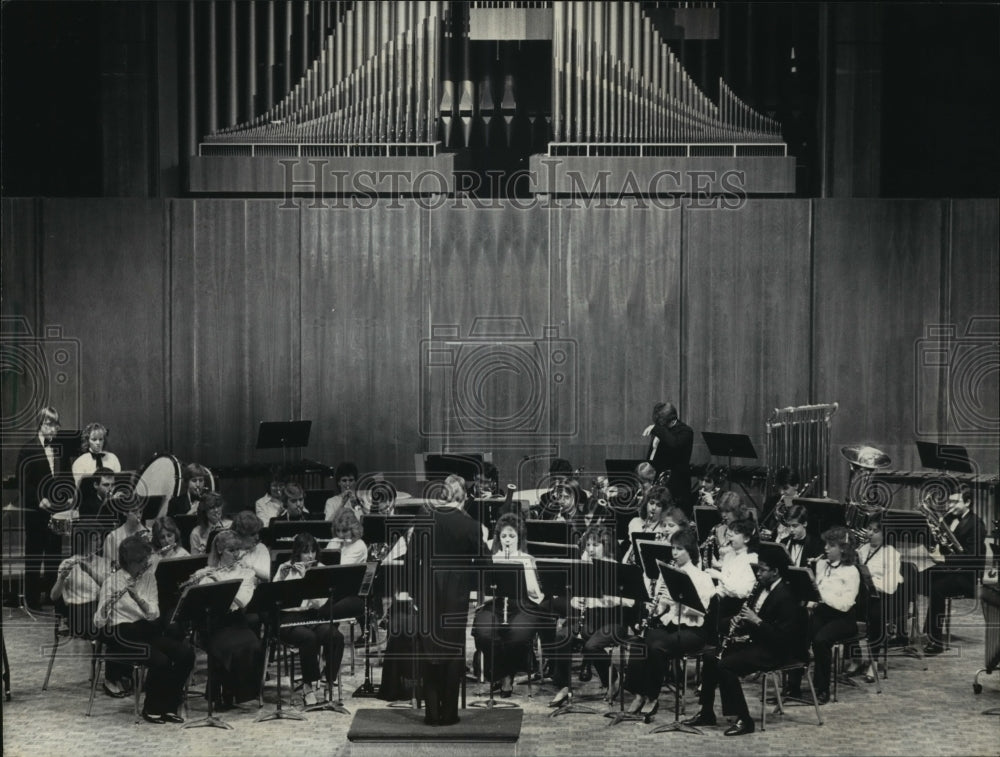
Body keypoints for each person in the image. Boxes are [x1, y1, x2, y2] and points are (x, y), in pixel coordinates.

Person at [684, 543, 806, 736]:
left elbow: (783, 638)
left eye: (763, 570)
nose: (758, 574)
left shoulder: (787, 597)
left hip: (777, 651)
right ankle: (707, 712)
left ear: (775, 572)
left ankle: (745, 720)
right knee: (710, 656)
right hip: (758, 642)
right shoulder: (761, 587)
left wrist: (755, 621)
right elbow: (750, 619)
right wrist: (736, 622)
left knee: (726, 665)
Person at [406, 474, 484, 726]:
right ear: (462, 498)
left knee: (429, 651)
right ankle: (450, 713)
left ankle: (431, 713)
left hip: (426, 590)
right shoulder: (470, 525)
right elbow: (485, 563)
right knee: (452, 651)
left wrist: (413, 592)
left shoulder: (424, 517)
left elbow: (410, 558)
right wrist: (470, 584)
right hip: (456, 594)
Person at [94, 534, 195, 723]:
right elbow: (98, 624)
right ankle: (152, 709)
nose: (146, 565)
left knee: (185, 653)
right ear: (130, 562)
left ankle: (170, 706)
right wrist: (106, 606)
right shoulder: (112, 582)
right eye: (142, 562)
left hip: (145, 629)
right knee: (161, 661)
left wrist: (138, 600)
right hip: (121, 634)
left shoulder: (148, 578)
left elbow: (154, 614)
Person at [623, 527, 715, 717]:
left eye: (679, 549)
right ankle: (638, 693)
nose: (674, 553)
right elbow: (663, 607)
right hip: (671, 625)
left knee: (657, 647)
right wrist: (656, 608)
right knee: (640, 642)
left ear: (690, 550)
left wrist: (680, 601)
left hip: (694, 630)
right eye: (673, 548)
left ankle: (652, 696)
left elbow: (702, 611)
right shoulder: (668, 572)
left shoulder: (702, 577)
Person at [549, 525, 630, 707]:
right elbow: (572, 592)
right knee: (562, 636)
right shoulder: (583, 566)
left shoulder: (616, 568)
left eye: (596, 545)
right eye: (588, 546)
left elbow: (629, 601)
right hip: (590, 618)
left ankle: (613, 678)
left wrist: (601, 600)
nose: (591, 549)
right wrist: (574, 601)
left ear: (606, 546)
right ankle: (563, 686)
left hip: (613, 619)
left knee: (591, 645)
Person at [186, 530, 263, 709]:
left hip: (235, 620)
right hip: (211, 624)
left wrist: (219, 582)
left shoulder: (246, 574)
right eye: (231, 550)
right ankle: (220, 694)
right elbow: (199, 604)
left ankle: (235, 693)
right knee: (226, 648)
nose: (236, 554)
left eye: (238, 550)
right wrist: (198, 582)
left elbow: (241, 601)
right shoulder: (205, 572)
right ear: (220, 550)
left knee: (253, 646)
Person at [471, 513, 546, 697]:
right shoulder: (491, 558)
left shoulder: (527, 558)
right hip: (494, 604)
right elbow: (479, 591)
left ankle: (506, 676)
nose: (507, 540)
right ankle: (501, 673)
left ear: (519, 538)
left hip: (521, 604)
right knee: (483, 632)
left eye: (512, 536)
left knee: (518, 636)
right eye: (504, 536)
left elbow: (536, 593)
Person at [785, 526, 860, 703]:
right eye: (826, 544)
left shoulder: (851, 572)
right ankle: (793, 687)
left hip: (843, 618)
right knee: (799, 633)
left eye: (831, 545)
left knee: (821, 641)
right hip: (823, 613)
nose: (825, 548)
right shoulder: (821, 564)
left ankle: (822, 689)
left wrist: (820, 596)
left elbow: (845, 604)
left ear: (842, 548)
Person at [274, 533, 345, 706]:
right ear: (298, 553)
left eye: (313, 551)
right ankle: (308, 687)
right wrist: (298, 579)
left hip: (312, 615)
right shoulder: (285, 569)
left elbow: (320, 602)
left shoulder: (320, 568)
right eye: (306, 552)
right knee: (308, 639)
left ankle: (329, 680)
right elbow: (276, 599)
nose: (310, 556)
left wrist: (309, 578)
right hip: (288, 618)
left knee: (336, 637)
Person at [17, 406, 73, 607]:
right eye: (50, 424)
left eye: (56, 424)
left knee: (54, 554)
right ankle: (31, 600)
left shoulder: (60, 449)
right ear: (40, 424)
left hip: (58, 511)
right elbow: (23, 482)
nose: (55, 428)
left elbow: (67, 476)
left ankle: (52, 596)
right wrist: (39, 500)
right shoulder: (28, 449)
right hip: (36, 512)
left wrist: (68, 495)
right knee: (34, 555)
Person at [923, 485, 988, 654]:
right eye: (949, 501)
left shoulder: (977, 524)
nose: (950, 505)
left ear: (968, 502)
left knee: (936, 589)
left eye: (955, 501)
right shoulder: (949, 518)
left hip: (967, 577)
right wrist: (933, 537)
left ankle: (936, 642)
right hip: (949, 570)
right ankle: (902, 634)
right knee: (912, 578)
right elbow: (943, 543)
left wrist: (944, 558)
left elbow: (972, 558)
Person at [853, 515, 901, 680]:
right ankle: (856, 657)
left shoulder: (892, 554)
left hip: (882, 596)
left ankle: (873, 661)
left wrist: (872, 581)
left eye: (875, 530)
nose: (870, 533)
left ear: (884, 533)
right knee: (844, 610)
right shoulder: (862, 550)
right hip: (862, 595)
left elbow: (892, 584)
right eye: (869, 529)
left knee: (876, 615)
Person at [51, 528, 109, 638]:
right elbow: (54, 596)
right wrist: (62, 578)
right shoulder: (67, 563)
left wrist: (90, 571)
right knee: (107, 629)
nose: (100, 542)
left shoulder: (103, 562)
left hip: (99, 608)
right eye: (95, 540)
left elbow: (108, 588)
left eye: (100, 539)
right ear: (84, 542)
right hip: (78, 612)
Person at [641, 401, 694, 514]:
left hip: (675, 487)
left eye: (660, 421)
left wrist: (658, 429)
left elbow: (674, 444)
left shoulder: (685, 431)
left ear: (670, 419)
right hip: (657, 481)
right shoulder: (661, 430)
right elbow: (653, 453)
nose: (657, 424)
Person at [706, 517, 758, 620]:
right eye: (731, 532)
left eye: (736, 533)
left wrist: (719, 576)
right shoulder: (729, 555)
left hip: (738, 609)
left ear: (747, 539)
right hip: (724, 603)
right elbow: (722, 589)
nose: (730, 536)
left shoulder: (753, 559)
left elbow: (742, 592)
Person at [622, 486, 685, 565]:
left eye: (658, 505)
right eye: (651, 503)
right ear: (646, 504)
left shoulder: (665, 528)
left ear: (664, 508)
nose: (653, 508)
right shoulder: (635, 522)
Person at [71, 422, 122, 488]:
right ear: (87, 440)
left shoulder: (113, 458)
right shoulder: (80, 462)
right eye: (94, 439)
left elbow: (117, 482)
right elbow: (79, 487)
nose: (98, 443)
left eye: (101, 439)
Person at [103, 503, 151, 570]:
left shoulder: (149, 533)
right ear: (125, 512)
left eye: (140, 512)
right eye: (134, 511)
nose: (139, 516)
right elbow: (109, 566)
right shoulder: (112, 537)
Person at [777, 505, 823, 569]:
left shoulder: (816, 544)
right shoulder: (783, 542)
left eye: (794, 526)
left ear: (805, 524)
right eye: (789, 526)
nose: (791, 530)